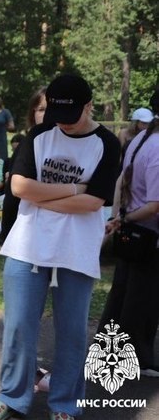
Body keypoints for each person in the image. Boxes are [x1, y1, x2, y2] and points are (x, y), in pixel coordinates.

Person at [0, 74, 121, 420]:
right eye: (57, 117)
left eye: (71, 116)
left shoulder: (106, 143)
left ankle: (64, 402)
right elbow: (18, 186)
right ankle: (12, 396)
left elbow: (95, 202)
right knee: (18, 325)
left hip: (76, 248)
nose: (63, 124)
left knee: (73, 330)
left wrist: (44, 196)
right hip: (28, 243)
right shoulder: (39, 134)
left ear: (89, 106)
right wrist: (75, 189)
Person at [99, 90, 159, 377]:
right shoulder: (156, 145)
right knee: (142, 299)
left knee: (122, 295)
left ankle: (109, 351)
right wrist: (126, 218)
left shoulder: (139, 140)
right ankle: (138, 358)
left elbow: (122, 180)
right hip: (147, 232)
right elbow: (155, 205)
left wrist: (119, 217)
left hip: (132, 229)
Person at [0, 87, 46, 245]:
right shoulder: (26, 145)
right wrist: (7, 233)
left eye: (52, 109)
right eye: (41, 109)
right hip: (26, 229)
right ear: (33, 113)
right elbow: (13, 193)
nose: (47, 114)